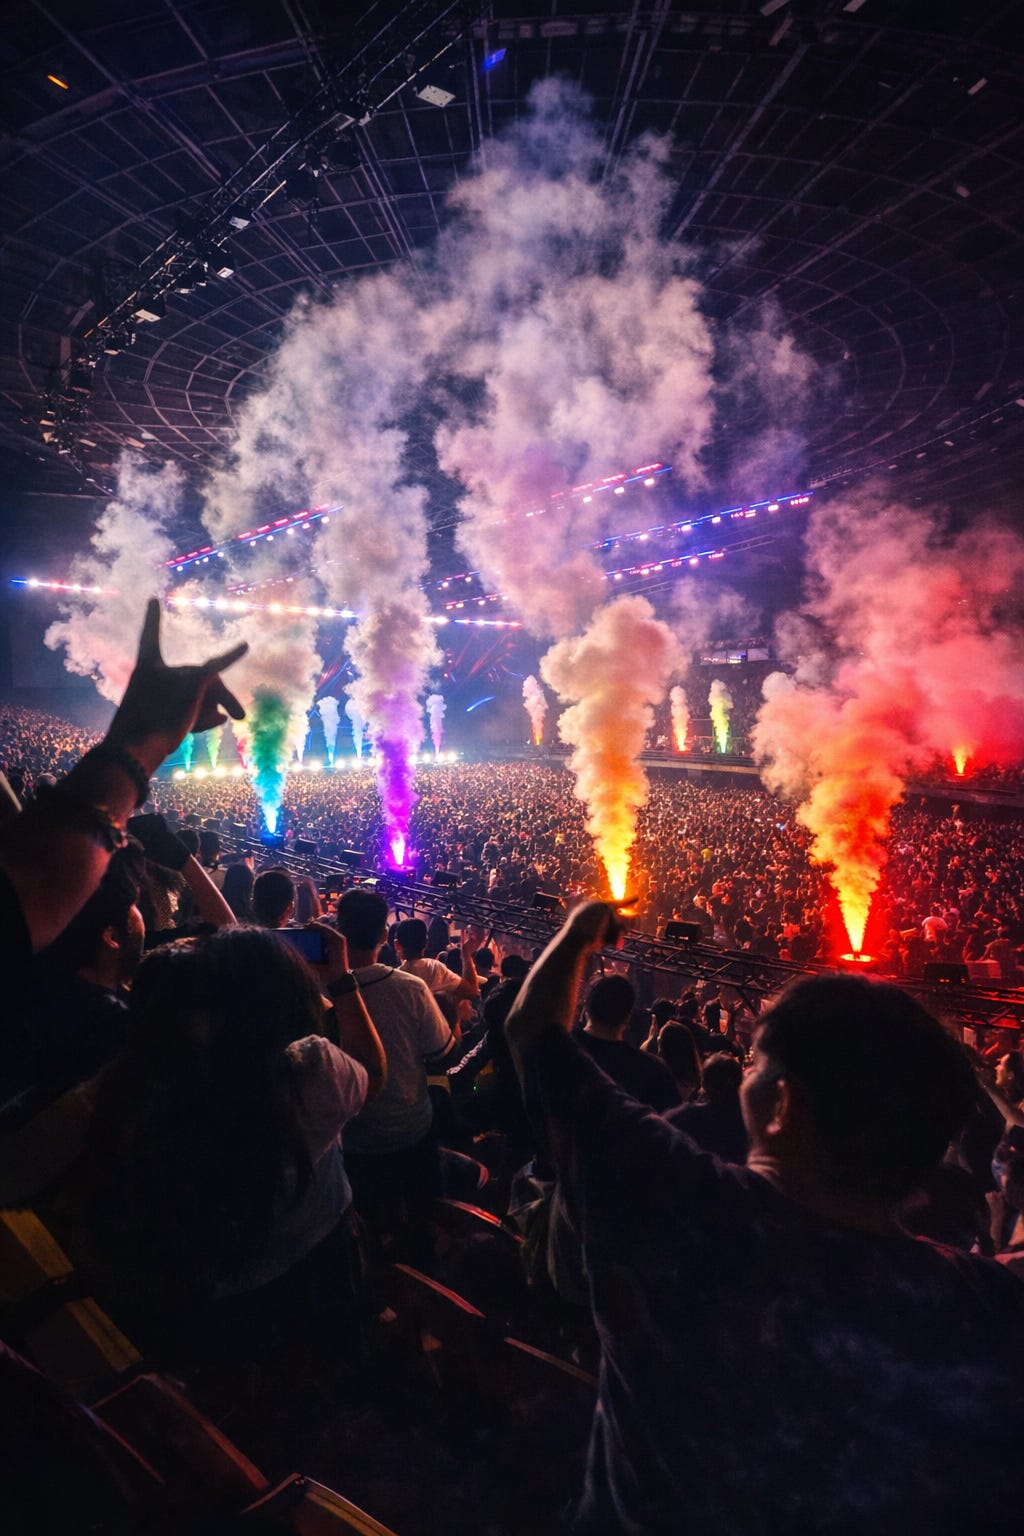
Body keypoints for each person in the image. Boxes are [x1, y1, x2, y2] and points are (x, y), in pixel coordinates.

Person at [505, 901, 1024, 1535]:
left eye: (755, 1063)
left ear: (783, 1104)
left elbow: (533, 1030)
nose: (745, 1075)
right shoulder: (986, 1309)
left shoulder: (674, 1200)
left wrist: (581, 932)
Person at [335, 888, 459, 1260]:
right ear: (385, 935)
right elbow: (442, 1055)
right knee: (424, 1220)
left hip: (349, 1138)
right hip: (410, 1129)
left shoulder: (321, 990)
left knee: (364, 1230)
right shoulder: (411, 988)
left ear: (339, 932)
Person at [394, 916, 480, 1001]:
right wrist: (466, 953)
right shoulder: (435, 968)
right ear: (426, 943)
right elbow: (472, 992)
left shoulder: (393, 979)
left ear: (397, 945)